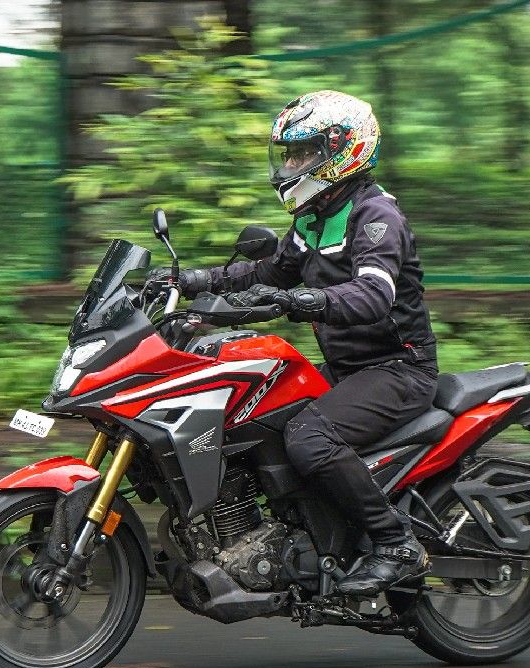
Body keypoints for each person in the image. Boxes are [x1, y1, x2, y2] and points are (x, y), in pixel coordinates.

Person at [163, 90, 439, 595]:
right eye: (289, 154)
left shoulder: (377, 218)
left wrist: (301, 301)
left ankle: (395, 543)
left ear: (342, 150)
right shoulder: (312, 219)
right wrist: (190, 281)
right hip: (348, 368)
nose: (290, 165)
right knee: (259, 418)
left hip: (398, 369)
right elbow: (267, 272)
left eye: (301, 153)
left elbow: (374, 294)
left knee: (309, 437)